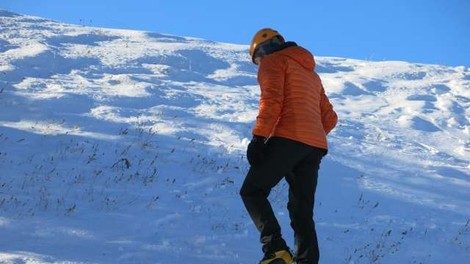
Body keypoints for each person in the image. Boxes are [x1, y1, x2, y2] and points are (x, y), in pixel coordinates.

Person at [240, 28, 338, 264]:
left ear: (262, 50)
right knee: (302, 211)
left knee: (252, 191)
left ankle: (275, 249)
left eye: (257, 60)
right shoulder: (311, 73)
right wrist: (310, 135)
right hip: (314, 147)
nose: (259, 65)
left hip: (287, 137)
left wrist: (259, 138)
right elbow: (330, 118)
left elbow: (272, 101)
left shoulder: (273, 62)